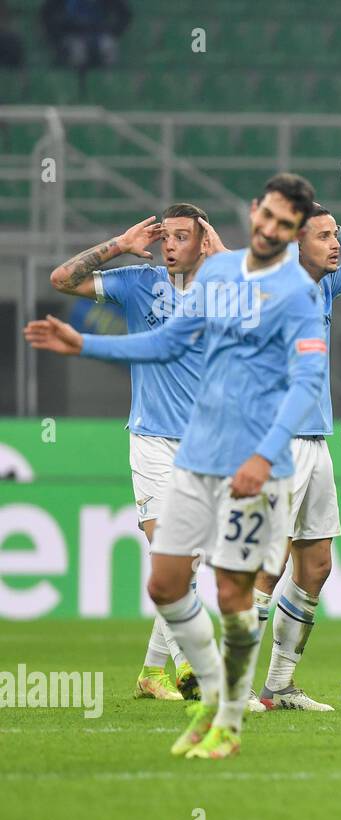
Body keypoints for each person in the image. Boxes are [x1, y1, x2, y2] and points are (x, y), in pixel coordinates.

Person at [25, 173, 327, 760]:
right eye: (264, 214)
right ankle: (198, 681)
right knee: (168, 578)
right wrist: (88, 341)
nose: (269, 227)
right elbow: (160, 340)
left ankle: (224, 711)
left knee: (233, 589)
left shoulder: (286, 289)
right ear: (251, 212)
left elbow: (304, 377)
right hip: (176, 451)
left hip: (245, 451)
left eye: (283, 223)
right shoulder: (182, 281)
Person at [47, 203, 225, 701]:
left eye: (182, 236)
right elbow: (62, 279)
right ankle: (197, 670)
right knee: (168, 555)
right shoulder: (135, 283)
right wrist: (118, 246)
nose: (169, 245)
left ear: (202, 240)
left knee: (184, 568)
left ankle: (151, 673)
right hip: (151, 440)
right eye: (164, 236)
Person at [250, 206, 341, 712]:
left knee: (315, 564)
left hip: (317, 440)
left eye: (337, 236)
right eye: (325, 237)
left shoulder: (326, 287)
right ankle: (232, 687)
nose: (336, 245)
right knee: (265, 563)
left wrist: (338, 230)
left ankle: (278, 687)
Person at [40, 0, 131, 71]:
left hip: (99, 34)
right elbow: (47, 15)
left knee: (108, 47)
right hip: (71, 35)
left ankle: (109, 83)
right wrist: (58, 38)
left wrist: (112, 32)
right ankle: (75, 85)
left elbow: (124, 14)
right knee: (78, 51)